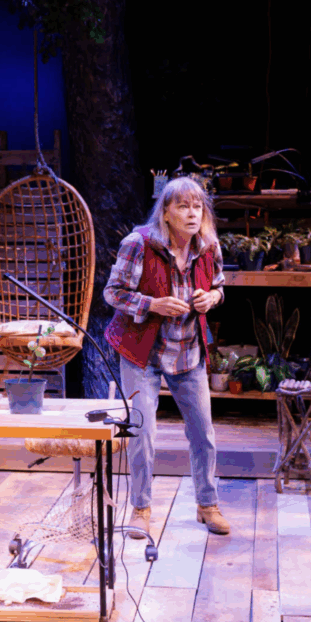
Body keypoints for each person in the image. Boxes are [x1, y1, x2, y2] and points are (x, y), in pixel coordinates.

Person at [104, 176, 230, 537]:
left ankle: (207, 505)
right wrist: (151, 303)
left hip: (188, 351)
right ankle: (141, 508)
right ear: (166, 212)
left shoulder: (208, 246)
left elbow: (219, 286)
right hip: (142, 352)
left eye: (197, 206)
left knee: (203, 432)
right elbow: (112, 293)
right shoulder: (139, 244)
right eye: (183, 206)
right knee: (142, 432)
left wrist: (212, 298)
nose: (192, 214)